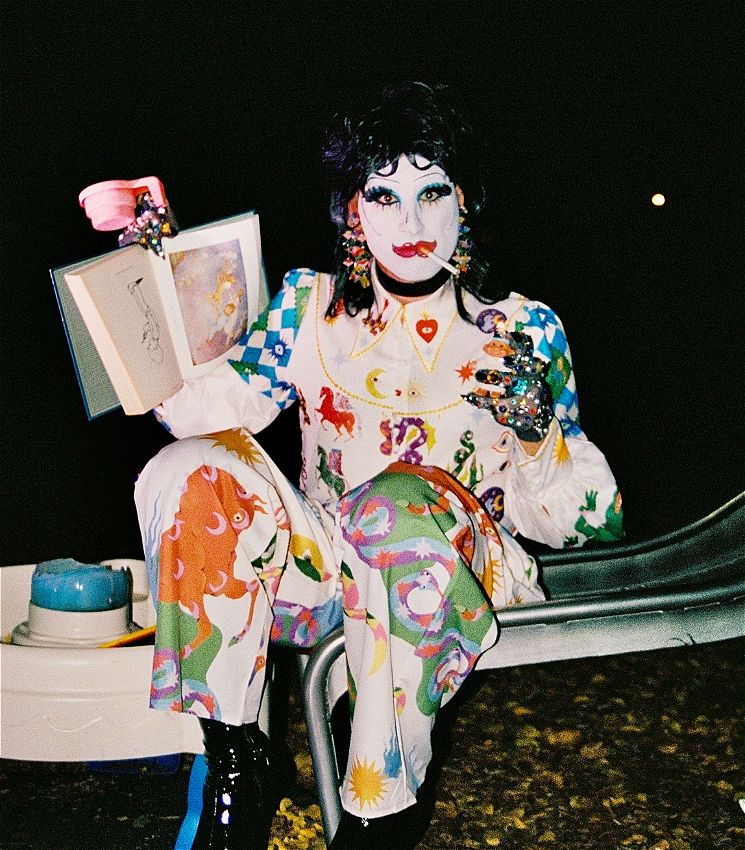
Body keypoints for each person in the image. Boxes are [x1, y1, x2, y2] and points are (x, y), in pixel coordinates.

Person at [134, 82, 623, 850]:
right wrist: (161, 269)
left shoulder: (520, 328)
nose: (411, 221)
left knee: (395, 503)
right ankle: (236, 757)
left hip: (459, 575)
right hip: (327, 574)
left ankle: (376, 814)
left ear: (464, 202)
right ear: (352, 211)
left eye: (431, 192)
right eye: (383, 195)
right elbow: (193, 412)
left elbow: (587, 519)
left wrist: (534, 432)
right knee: (189, 467)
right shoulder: (307, 308)